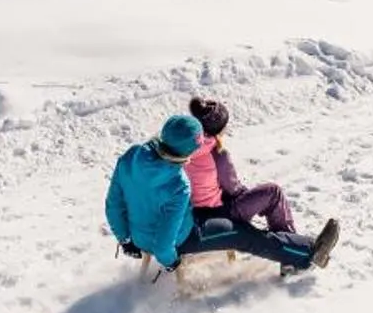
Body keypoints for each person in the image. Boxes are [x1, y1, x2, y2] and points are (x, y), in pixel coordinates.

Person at [107, 114, 337, 276]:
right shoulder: (177, 184)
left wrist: (126, 240)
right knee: (243, 234)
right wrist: (170, 261)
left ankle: (292, 250)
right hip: (182, 238)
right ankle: (308, 253)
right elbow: (165, 240)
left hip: (139, 236)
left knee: (227, 222)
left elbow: (113, 205)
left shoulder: (131, 156)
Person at [184, 96, 300, 235]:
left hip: (192, 212)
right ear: (219, 129)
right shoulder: (217, 154)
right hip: (217, 215)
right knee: (273, 193)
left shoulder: (183, 147)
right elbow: (234, 190)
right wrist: (251, 198)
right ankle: (291, 241)